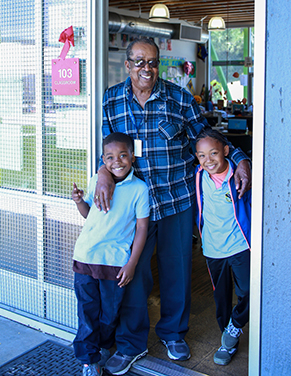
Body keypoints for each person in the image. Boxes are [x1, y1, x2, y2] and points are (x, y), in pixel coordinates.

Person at [94, 37, 252, 375]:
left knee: (177, 272)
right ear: (127, 64)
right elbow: (106, 146)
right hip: (133, 205)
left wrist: (238, 158)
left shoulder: (179, 98)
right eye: (139, 62)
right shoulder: (111, 101)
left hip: (176, 200)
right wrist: (101, 172)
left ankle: (173, 333)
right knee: (133, 276)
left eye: (152, 62)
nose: (146, 68)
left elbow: (206, 136)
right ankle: (131, 343)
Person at [72, 132, 149, 376]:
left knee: (110, 312)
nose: (117, 161)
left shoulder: (139, 189)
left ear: (132, 158)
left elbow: (142, 228)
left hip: (115, 262)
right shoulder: (98, 179)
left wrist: (132, 263)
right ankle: (88, 360)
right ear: (103, 160)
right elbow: (89, 215)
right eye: (110, 157)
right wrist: (78, 202)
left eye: (123, 155)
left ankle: (104, 346)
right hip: (85, 257)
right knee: (87, 311)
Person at [194, 127, 251, 366]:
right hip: (213, 248)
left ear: (226, 151)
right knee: (221, 297)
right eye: (202, 155)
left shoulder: (240, 176)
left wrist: (243, 161)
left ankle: (235, 327)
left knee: (249, 291)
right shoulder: (197, 174)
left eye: (214, 153)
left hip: (240, 245)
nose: (208, 160)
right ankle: (227, 339)